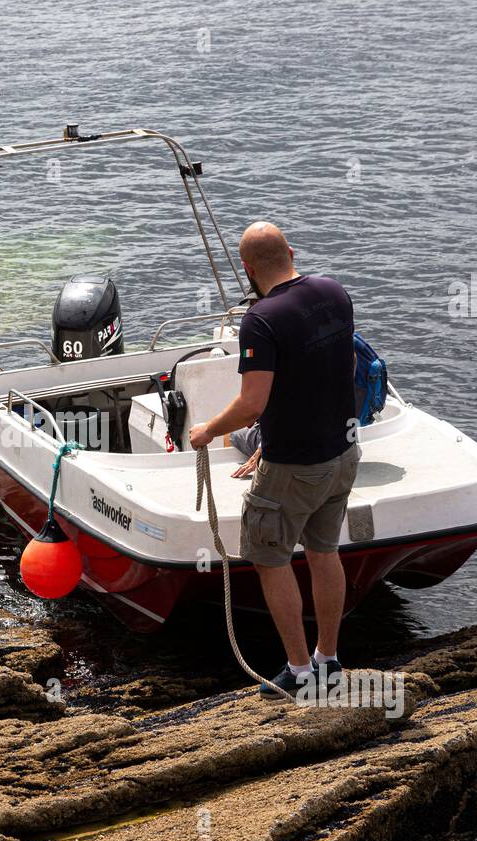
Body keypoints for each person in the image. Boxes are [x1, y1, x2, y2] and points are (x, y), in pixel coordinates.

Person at [188, 221, 360, 702]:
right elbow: (345, 367)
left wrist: (208, 431)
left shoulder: (261, 319)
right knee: (325, 552)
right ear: (291, 251)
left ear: (246, 269)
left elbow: (252, 403)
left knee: (269, 558)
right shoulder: (334, 291)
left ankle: (300, 671)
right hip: (343, 454)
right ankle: (329, 661)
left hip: (294, 467)